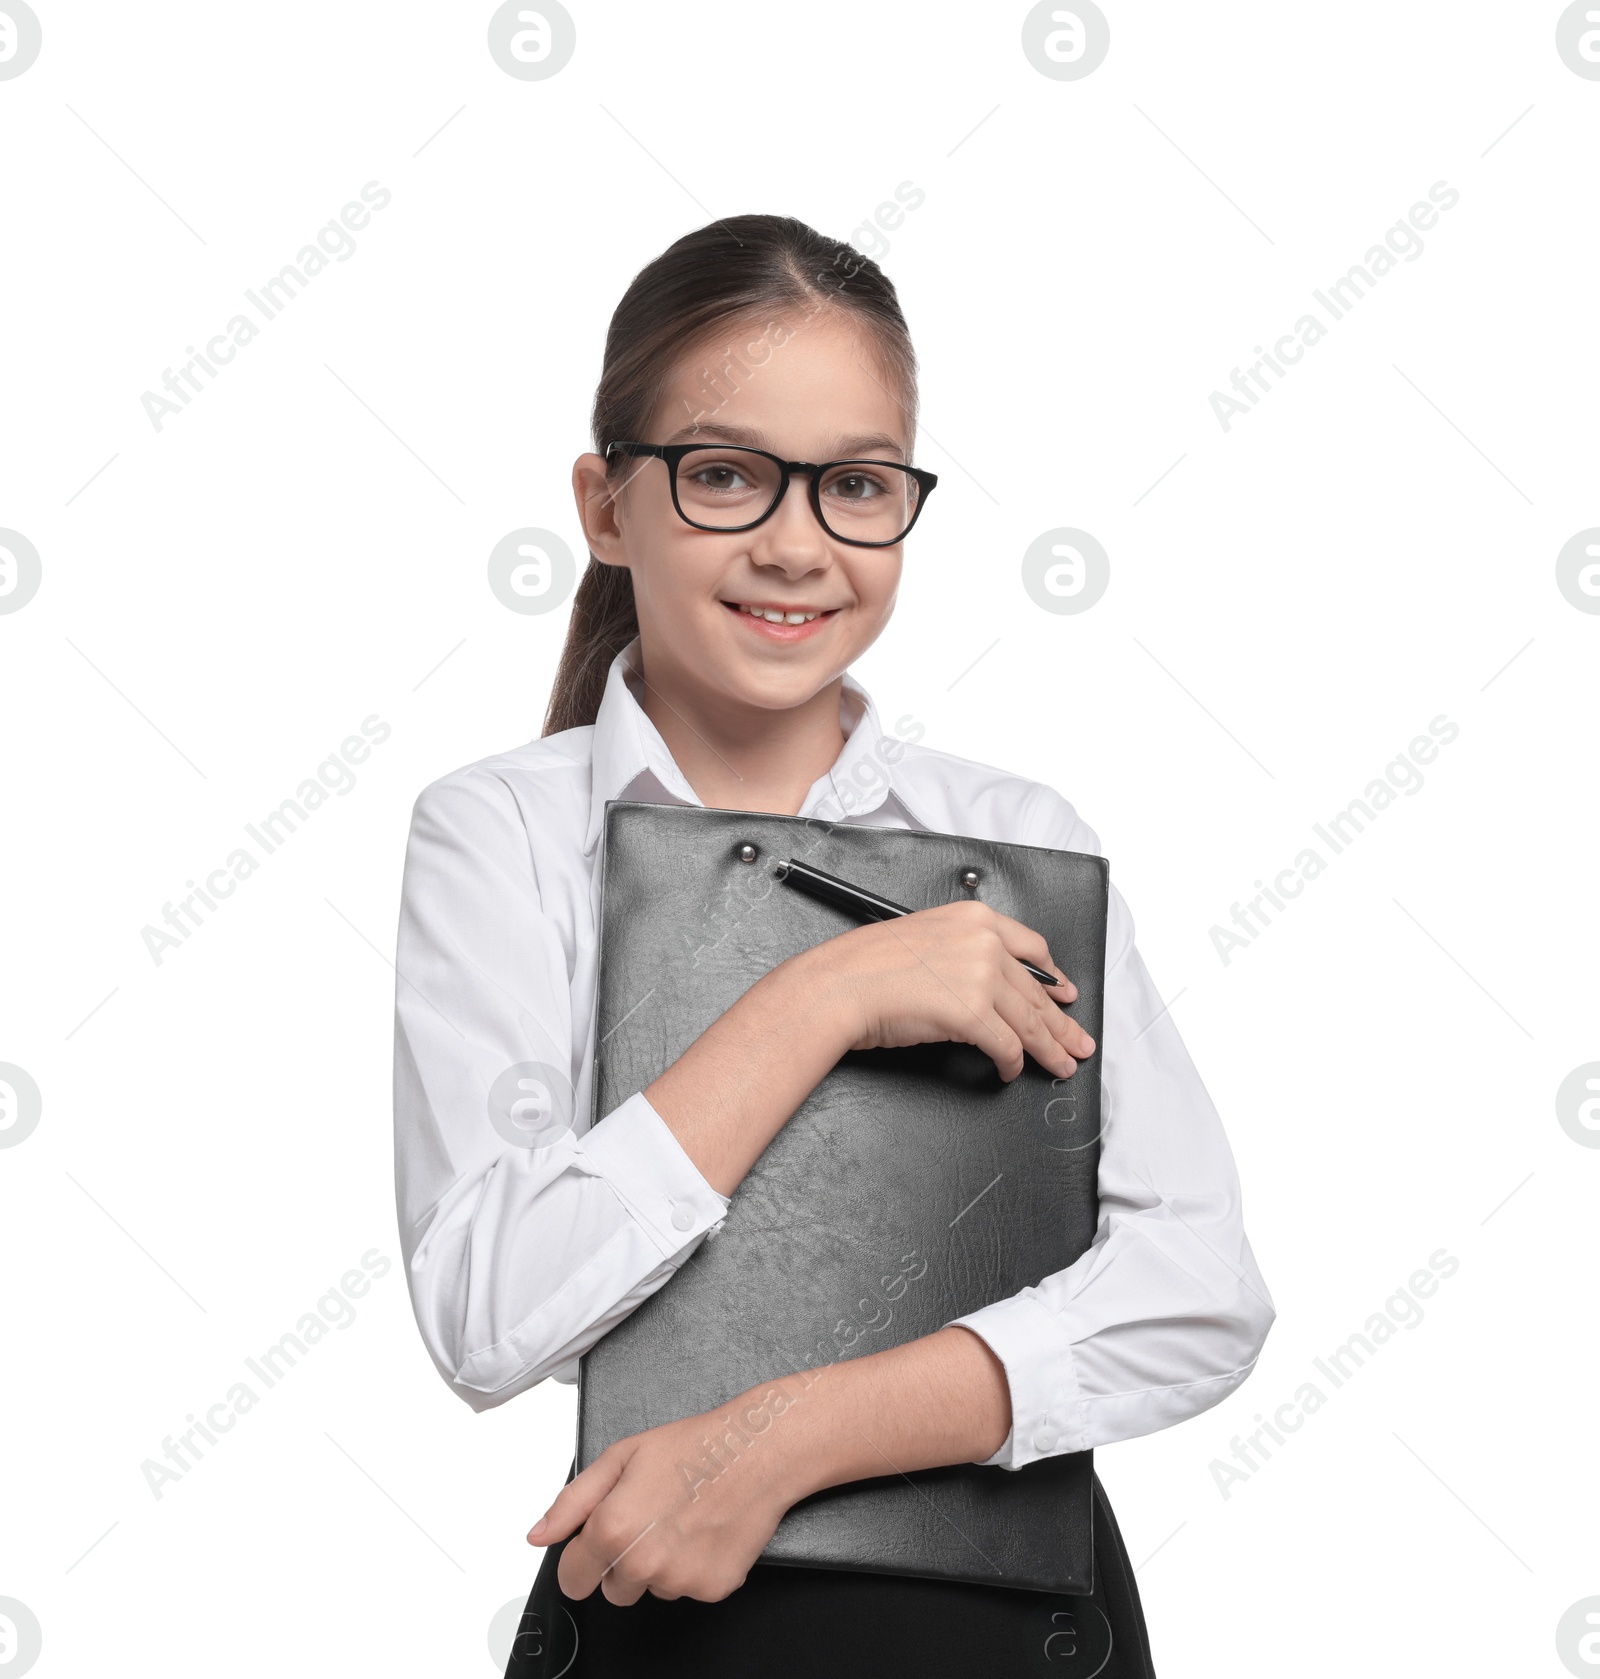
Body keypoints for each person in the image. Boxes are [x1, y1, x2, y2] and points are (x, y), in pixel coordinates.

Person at [391, 214, 1276, 1678]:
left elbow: (1197, 1287)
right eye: (727, 473)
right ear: (607, 506)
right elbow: (489, 1313)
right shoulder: (507, 835)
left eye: (858, 485)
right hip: (662, 1625)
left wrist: (779, 1440)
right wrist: (828, 992)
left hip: (1006, 1625)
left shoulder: (1012, 833)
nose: (798, 543)